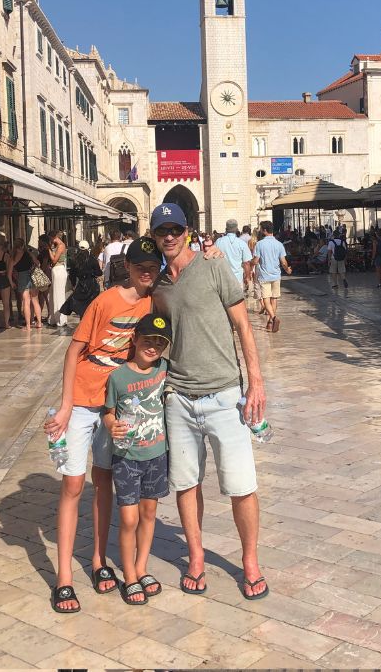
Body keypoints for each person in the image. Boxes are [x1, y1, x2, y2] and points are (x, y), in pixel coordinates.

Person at [149, 202, 269, 601]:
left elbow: (243, 326)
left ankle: (250, 563)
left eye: (175, 229)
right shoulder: (159, 284)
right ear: (153, 236)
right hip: (178, 398)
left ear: (188, 231)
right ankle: (196, 557)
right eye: (161, 230)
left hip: (224, 395)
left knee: (241, 486)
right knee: (186, 483)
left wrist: (256, 381)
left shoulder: (215, 266)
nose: (169, 236)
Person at [43, 237, 161, 614]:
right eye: (140, 264)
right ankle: (63, 577)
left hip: (116, 404)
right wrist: (63, 407)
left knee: (105, 480)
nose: (146, 271)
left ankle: (97, 560)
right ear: (127, 266)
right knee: (74, 484)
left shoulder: (153, 301)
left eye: (152, 265)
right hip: (82, 399)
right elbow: (74, 350)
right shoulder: (105, 300)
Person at [102, 313, 171, 605]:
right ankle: (128, 574)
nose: (152, 347)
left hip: (156, 455)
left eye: (159, 342)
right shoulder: (118, 377)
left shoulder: (165, 369)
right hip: (127, 457)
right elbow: (107, 411)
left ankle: (141, 567)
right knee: (129, 518)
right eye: (147, 340)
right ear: (135, 340)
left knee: (149, 514)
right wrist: (110, 424)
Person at [253, 220, 292, 333]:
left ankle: (274, 318)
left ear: (264, 230)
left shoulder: (259, 244)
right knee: (274, 299)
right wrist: (288, 270)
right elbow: (283, 262)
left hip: (265, 276)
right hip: (276, 275)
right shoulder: (279, 244)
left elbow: (256, 261)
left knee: (266, 300)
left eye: (261, 229)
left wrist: (250, 263)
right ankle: (270, 322)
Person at [215, 219, 253, 289]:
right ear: (236, 229)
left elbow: (214, 258)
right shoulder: (241, 243)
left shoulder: (218, 242)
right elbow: (246, 263)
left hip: (223, 278)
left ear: (226, 229)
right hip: (237, 278)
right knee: (238, 299)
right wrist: (247, 277)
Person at [9, 241, 36, 328]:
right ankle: (34, 321)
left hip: (22, 278)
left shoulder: (13, 258)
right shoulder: (28, 254)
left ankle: (28, 325)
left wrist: (12, 282)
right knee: (34, 301)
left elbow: (9, 274)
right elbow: (37, 262)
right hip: (32, 276)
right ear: (23, 245)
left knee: (26, 302)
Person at [46, 231, 69, 327]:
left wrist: (49, 250)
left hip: (59, 270)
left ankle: (61, 319)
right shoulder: (56, 245)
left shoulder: (61, 245)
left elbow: (54, 259)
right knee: (53, 294)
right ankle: (54, 318)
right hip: (55, 270)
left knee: (59, 295)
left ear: (53, 237)